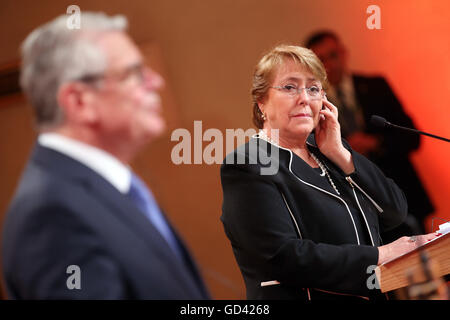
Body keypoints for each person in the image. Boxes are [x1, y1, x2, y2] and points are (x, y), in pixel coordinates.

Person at [1, 12, 210, 299]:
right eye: (134, 73)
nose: (156, 81)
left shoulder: (110, 186)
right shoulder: (52, 215)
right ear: (79, 101)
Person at [220, 45, 438, 300]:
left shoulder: (331, 150)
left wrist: (341, 154)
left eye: (313, 89)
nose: (304, 98)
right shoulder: (247, 164)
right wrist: (381, 255)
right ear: (261, 104)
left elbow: (395, 212)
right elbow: (284, 256)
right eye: (290, 87)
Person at [305, 31, 434, 241]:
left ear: (344, 53)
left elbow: (412, 138)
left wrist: (375, 143)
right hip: (362, 212)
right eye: (321, 60)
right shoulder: (312, 107)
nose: (330, 65)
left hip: (405, 194)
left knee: (431, 268)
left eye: (333, 55)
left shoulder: (376, 86)